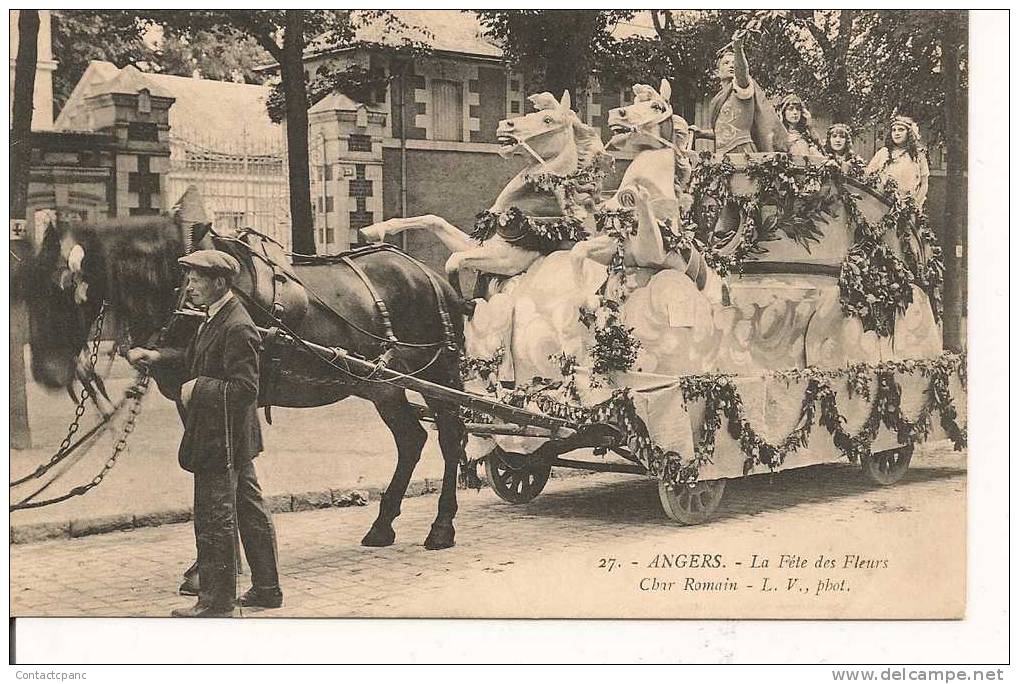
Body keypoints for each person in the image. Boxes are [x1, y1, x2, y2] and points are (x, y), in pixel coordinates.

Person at [127, 249, 282, 617]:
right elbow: (196, 356)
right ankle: (267, 589)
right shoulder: (215, 317)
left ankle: (216, 602)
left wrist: (197, 388)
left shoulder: (237, 326)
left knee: (214, 515)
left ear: (220, 283)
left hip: (222, 438)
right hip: (233, 436)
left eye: (197, 279)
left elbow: (245, 389)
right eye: (190, 278)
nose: (190, 286)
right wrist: (158, 357)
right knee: (249, 509)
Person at [693, 32, 788, 155]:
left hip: (743, 151)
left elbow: (742, 71)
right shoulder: (717, 99)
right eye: (726, 63)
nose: (731, 65)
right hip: (722, 154)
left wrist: (738, 49)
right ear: (717, 72)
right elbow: (724, 131)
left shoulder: (741, 86)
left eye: (734, 62)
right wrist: (701, 133)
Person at [865, 115, 930, 208]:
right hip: (883, 204)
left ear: (909, 133)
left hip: (908, 206)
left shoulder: (918, 155)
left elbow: (924, 184)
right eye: (894, 130)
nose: (896, 133)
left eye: (901, 130)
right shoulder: (883, 153)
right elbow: (868, 176)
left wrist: (915, 204)